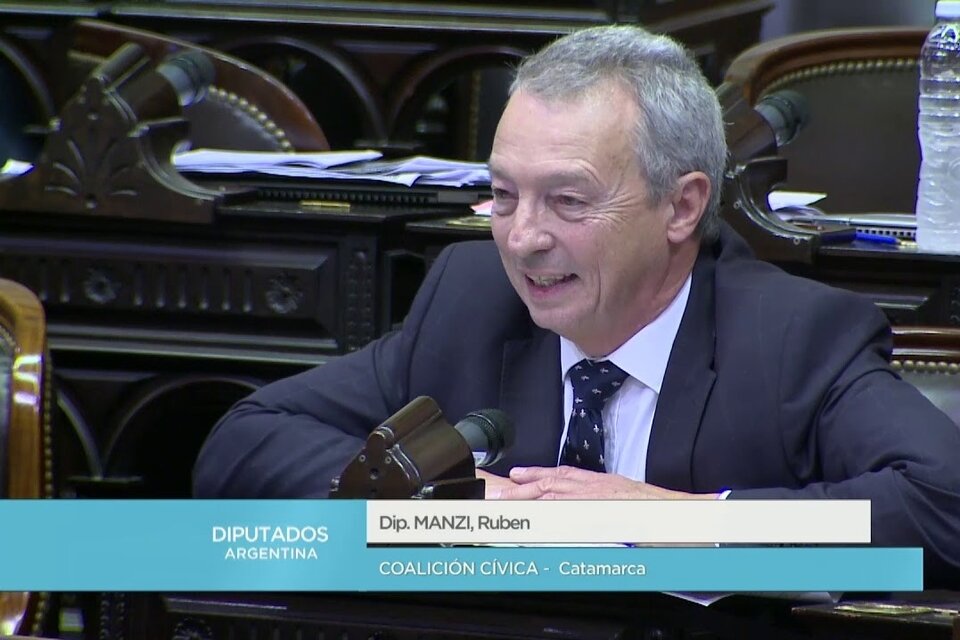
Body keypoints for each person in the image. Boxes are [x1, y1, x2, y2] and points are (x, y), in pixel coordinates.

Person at [193, 25, 960, 584]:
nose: (524, 239)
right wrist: (439, 504)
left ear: (682, 206)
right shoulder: (469, 300)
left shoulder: (790, 337)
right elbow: (243, 443)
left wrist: (677, 522)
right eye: (502, 196)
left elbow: (943, 506)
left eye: (567, 201)